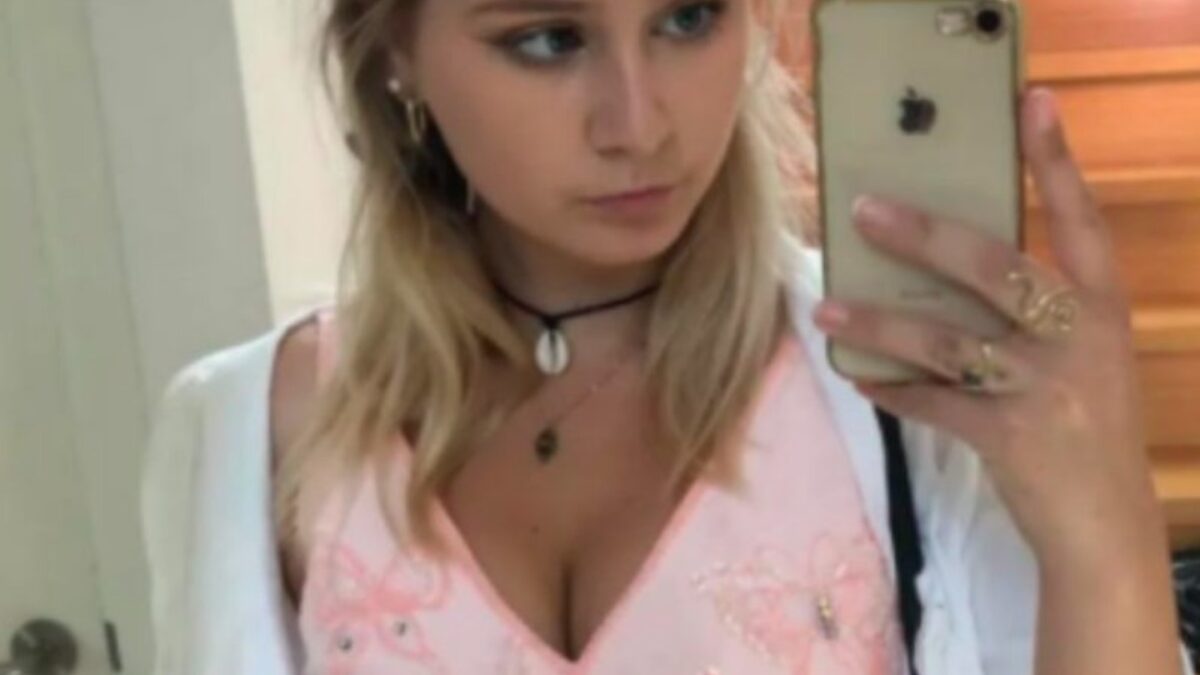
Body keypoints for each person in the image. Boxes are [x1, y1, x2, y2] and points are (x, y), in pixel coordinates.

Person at [141, 0, 1193, 673]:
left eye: (688, 18)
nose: (640, 124)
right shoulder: (249, 431)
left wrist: (1105, 532)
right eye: (548, 39)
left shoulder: (903, 383)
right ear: (393, 51)